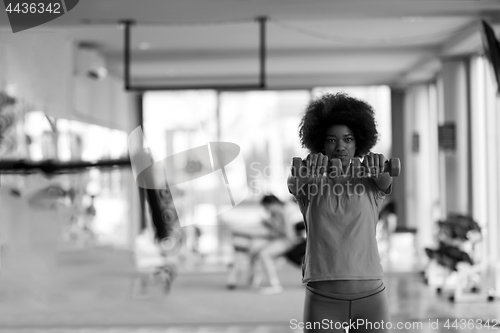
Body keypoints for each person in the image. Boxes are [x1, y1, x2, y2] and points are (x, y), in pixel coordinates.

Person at [288, 92, 393, 332]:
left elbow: (386, 178)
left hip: (371, 298)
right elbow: (295, 182)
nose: (340, 147)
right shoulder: (309, 183)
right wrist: (303, 174)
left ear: (358, 144)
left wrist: (378, 165)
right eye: (331, 140)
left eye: (347, 139)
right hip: (323, 299)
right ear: (321, 144)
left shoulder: (371, 181)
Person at [248, 194, 296, 294]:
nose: (266, 209)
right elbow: (273, 233)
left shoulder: (283, 213)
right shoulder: (274, 215)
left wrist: (270, 224)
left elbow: (288, 234)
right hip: (276, 240)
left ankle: (274, 285)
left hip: (286, 242)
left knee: (264, 254)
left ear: (272, 204)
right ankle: (254, 280)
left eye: (266, 207)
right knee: (254, 248)